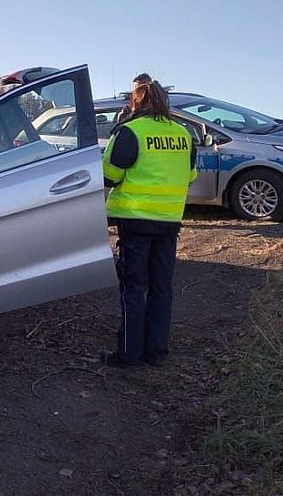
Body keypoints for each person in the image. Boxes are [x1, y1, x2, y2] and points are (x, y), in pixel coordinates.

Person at [101, 81, 197, 368]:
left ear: (136, 103)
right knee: (161, 287)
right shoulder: (184, 133)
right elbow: (190, 176)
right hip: (169, 222)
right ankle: (156, 352)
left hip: (135, 220)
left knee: (133, 287)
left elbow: (109, 175)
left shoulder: (131, 131)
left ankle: (129, 355)